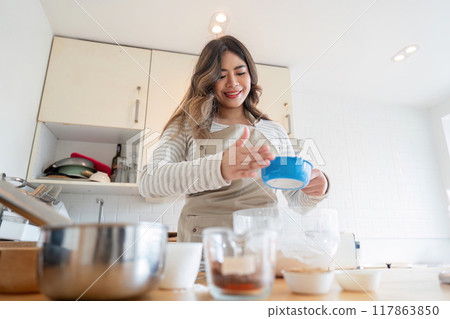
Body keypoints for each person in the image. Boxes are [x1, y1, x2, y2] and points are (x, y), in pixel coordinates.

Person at [139, 35, 329, 242]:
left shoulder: (274, 131)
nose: (233, 83)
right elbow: (149, 181)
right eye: (221, 76)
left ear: (251, 76)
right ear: (207, 80)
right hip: (204, 247)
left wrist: (317, 188)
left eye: (240, 72)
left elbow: (296, 200)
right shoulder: (187, 125)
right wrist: (220, 167)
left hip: (261, 246)